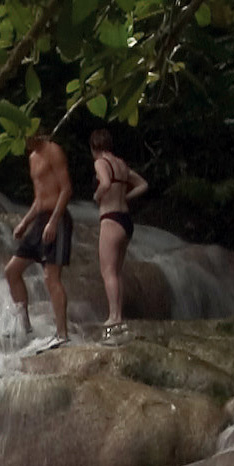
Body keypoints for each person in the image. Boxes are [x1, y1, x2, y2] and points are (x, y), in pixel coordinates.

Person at [5, 131, 74, 347]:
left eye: (24, 137)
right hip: (39, 220)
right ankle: (24, 325)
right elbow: (39, 197)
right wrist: (25, 223)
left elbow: (66, 189)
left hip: (58, 218)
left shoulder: (53, 151)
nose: (23, 143)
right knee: (12, 271)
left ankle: (62, 335)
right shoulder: (33, 158)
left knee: (50, 277)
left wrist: (54, 221)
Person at [90, 129, 149, 330]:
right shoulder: (121, 164)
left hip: (111, 219)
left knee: (108, 271)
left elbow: (105, 183)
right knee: (117, 271)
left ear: (94, 148)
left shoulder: (100, 162)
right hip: (126, 220)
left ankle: (114, 317)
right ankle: (118, 315)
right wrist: (126, 197)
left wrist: (97, 196)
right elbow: (143, 184)